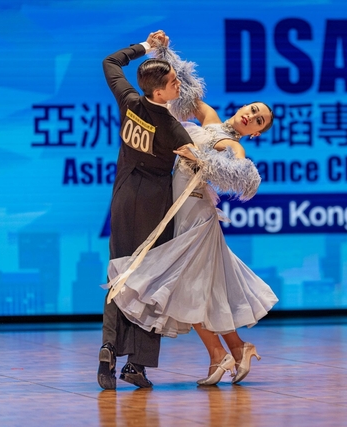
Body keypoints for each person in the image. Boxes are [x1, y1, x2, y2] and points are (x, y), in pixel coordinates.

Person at [107, 89, 278, 384]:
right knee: (204, 290)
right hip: (178, 208)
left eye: (258, 120)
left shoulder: (234, 147)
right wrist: (164, 65)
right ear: (243, 106)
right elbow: (184, 92)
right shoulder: (210, 119)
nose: (251, 116)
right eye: (252, 109)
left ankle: (219, 354)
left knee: (187, 288)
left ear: (256, 132)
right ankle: (236, 349)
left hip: (196, 214)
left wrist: (201, 160)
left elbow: (240, 174)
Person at [98, 30, 194, 390]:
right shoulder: (172, 128)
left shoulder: (129, 101)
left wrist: (146, 47)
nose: (178, 84)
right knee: (151, 280)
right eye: (172, 82)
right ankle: (136, 364)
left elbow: (110, 62)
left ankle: (108, 347)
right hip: (155, 207)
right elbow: (201, 162)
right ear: (158, 92)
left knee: (118, 276)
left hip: (123, 198)